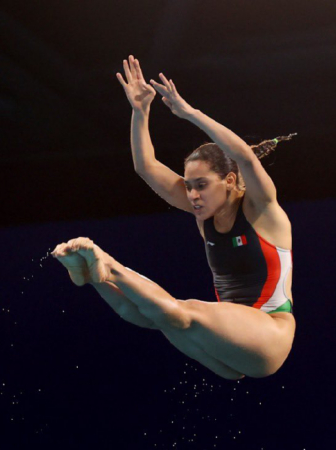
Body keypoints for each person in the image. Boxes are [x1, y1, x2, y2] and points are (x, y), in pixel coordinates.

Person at [52, 56, 295, 379]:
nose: (192, 195)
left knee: (185, 311)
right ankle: (95, 276)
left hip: (269, 335)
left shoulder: (261, 209)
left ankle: (109, 265)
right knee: (156, 316)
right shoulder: (203, 211)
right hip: (228, 347)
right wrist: (140, 112)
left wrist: (190, 114)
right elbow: (146, 167)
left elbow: (243, 156)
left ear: (231, 181)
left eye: (202, 185)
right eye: (189, 186)